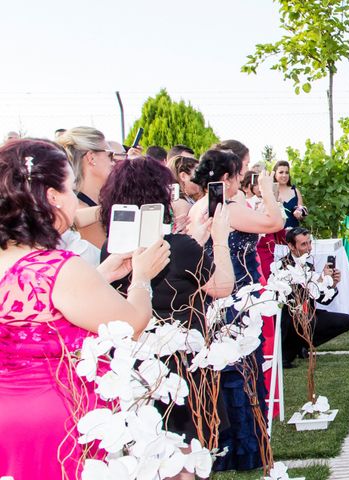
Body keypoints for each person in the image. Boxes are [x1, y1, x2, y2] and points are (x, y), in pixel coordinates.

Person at [0, 139, 170, 480]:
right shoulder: (57, 266)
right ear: (52, 197)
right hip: (56, 419)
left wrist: (102, 274)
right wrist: (141, 278)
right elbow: (131, 324)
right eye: (71, 189)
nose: (75, 199)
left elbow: (48, 308)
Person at [98, 157, 234, 479]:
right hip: (184, 370)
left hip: (135, 371)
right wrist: (219, 239)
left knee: (146, 460)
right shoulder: (180, 247)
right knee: (189, 463)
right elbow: (222, 286)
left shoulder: (111, 252)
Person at [189, 148, 284, 472]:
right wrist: (269, 192)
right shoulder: (228, 209)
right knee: (241, 370)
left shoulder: (198, 209)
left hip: (210, 300)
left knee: (219, 372)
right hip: (237, 298)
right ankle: (245, 450)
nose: (242, 181)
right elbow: (275, 222)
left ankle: (220, 445)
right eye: (239, 176)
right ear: (227, 178)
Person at [279, 227, 349, 368]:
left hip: (309, 315)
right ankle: (291, 349)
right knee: (308, 321)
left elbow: (321, 300)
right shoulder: (283, 266)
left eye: (309, 243)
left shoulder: (308, 265)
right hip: (291, 319)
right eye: (303, 244)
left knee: (346, 321)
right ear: (291, 246)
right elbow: (295, 297)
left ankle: (304, 344)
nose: (308, 248)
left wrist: (331, 284)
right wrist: (320, 281)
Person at [57, 127, 114, 248]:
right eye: (110, 156)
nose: (113, 162)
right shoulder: (80, 211)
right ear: (91, 158)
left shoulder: (95, 204)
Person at [274, 160, 306, 230]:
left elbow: (301, 212)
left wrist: (300, 214)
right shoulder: (270, 192)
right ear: (275, 174)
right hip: (275, 234)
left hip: (294, 235)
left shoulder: (295, 191)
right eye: (281, 172)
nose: (284, 175)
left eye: (287, 172)